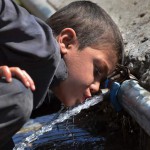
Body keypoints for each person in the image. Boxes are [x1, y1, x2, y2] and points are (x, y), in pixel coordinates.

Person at [0, 0, 124, 149]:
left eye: (102, 80)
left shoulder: (44, 76)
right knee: (18, 98)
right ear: (66, 41)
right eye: (97, 71)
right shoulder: (42, 45)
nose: (96, 88)